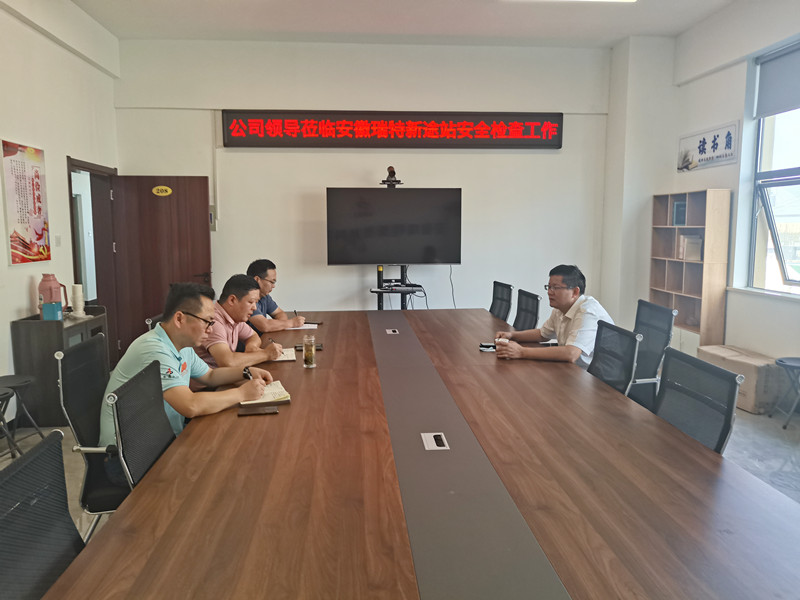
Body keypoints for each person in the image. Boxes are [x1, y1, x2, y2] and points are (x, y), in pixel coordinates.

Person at [99, 282, 272, 485]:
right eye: (207, 322)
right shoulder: (154, 350)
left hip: (161, 440)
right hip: (130, 458)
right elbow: (190, 405)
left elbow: (210, 376)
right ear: (179, 318)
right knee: (226, 474)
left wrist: (245, 372)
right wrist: (242, 394)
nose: (211, 329)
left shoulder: (182, 345)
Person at [495, 264, 612, 368]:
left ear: (575, 292)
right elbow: (543, 334)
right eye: (549, 287)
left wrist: (521, 352)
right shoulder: (560, 308)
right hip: (570, 369)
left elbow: (571, 353)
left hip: (592, 378)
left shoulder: (588, 312)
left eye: (555, 287)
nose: (549, 292)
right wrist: (512, 335)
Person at [196, 274, 283, 368]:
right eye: (251, 302)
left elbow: (253, 335)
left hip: (226, 374)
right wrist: (266, 354)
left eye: (256, 302)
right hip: (213, 376)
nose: (254, 308)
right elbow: (227, 362)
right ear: (232, 300)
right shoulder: (213, 322)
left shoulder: (235, 317)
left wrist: (251, 346)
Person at [246, 259, 306, 335]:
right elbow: (265, 326)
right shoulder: (246, 298)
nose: (274, 286)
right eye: (272, 282)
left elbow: (279, 313)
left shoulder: (264, 296)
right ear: (257, 280)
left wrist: (281, 324)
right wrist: (291, 323)